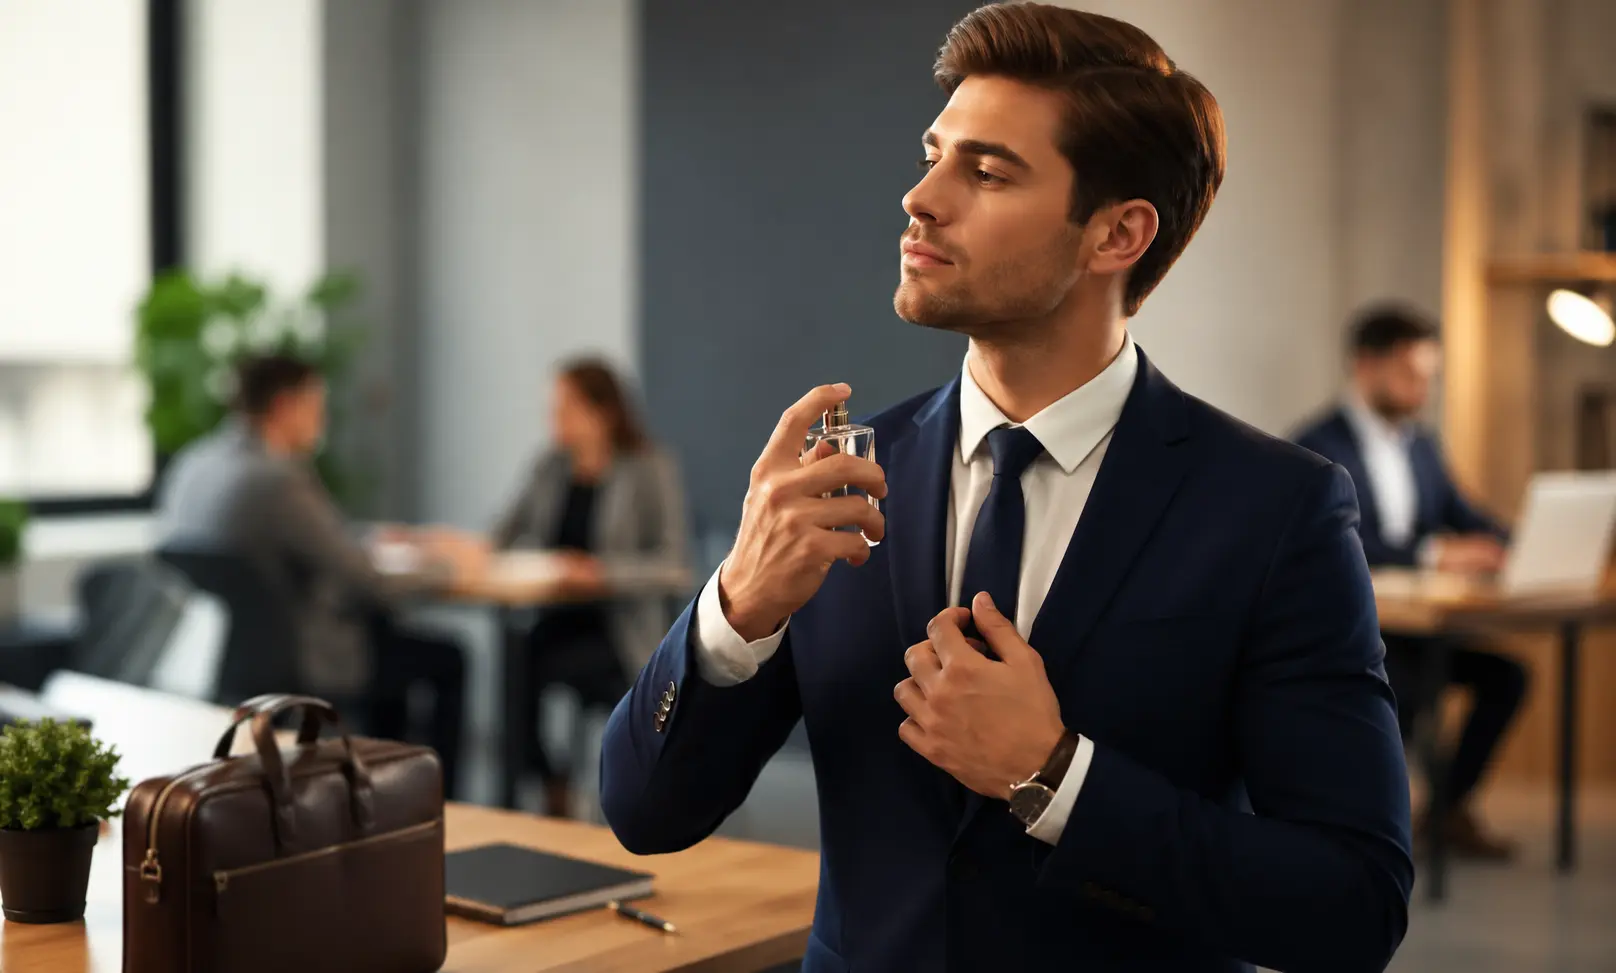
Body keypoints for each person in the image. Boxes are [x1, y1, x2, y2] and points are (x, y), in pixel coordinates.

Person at [600, 6, 1412, 972]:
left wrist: (1055, 777)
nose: (920, 197)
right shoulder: (843, 481)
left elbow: (1353, 903)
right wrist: (734, 612)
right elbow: (644, 814)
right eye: (933, 154)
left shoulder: (1275, 510)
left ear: (1117, 233)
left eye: (985, 173)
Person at [157, 354, 475, 798]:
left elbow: (312, 541)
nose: (321, 420)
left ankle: (382, 791)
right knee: (445, 655)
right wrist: (451, 566)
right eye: (317, 406)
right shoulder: (276, 478)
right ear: (287, 406)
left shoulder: (196, 465)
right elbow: (366, 579)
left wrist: (373, 538)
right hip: (302, 658)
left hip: (224, 657)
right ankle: (435, 800)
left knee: (391, 638)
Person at [1294, 305, 1527, 860]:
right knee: (1409, 684)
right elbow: (1340, 538)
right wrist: (1436, 553)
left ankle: (1444, 809)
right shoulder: (1316, 444)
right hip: (1354, 626)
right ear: (1365, 366)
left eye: (1428, 376)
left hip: (1420, 627)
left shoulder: (1420, 446)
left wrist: (1515, 543)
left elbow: (1464, 513)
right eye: (1409, 374)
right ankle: (1372, 830)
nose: (1422, 388)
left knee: (1508, 678)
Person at [488, 359, 690, 816]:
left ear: (602, 412)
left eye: (564, 409)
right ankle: (548, 778)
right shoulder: (549, 466)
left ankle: (563, 789)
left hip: (621, 631)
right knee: (515, 658)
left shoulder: (648, 467)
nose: (554, 421)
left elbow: (675, 565)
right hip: (557, 617)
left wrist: (601, 572)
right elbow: (501, 534)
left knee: (530, 664)